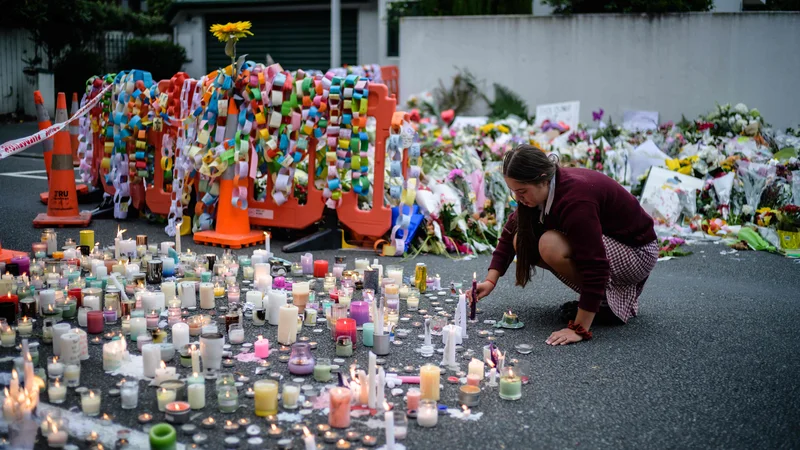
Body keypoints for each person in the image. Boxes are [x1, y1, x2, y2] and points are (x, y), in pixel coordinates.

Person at [471, 144, 658, 345]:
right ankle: (599, 301)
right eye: (514, 192)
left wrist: (579, 329)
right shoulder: (545, 188)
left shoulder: (575, 199)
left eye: (522, 191)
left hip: (637, 251)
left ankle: (602, 305)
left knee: (550, 244)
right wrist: (490, 282)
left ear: (542, 178)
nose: (518, 198)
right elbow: (509, 234)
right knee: (522, 240)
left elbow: (595, 265)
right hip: (613, 245)